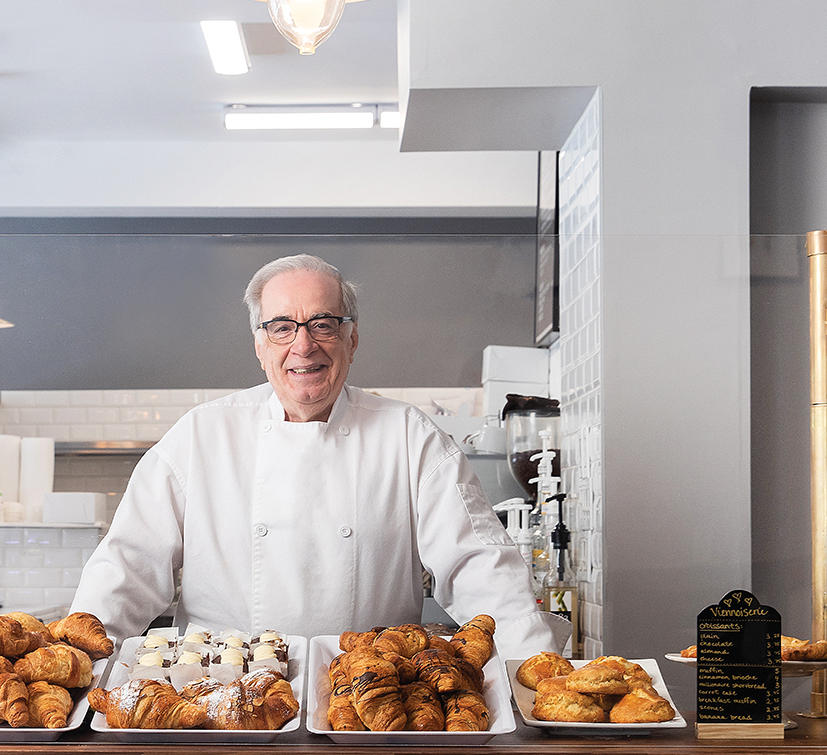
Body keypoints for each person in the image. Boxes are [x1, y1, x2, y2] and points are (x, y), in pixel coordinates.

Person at [74, 253, 556, 657]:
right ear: (260, 345)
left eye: (323, 324)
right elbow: (127, 565)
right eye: (282, 327)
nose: (304, 346)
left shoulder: (410, 437)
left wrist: (536, 674)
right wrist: (78, 663)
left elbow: (479, 566)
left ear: (353, 338)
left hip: (365, 701)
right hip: (224, 701)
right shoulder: (201, 436)